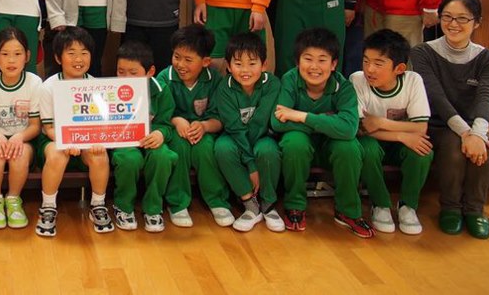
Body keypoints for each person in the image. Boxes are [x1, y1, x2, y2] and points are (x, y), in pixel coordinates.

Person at [411, 0, 489, 239]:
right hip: (437, 123)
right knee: (453, 145)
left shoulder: (488, 58)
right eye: (447, 17)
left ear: (477, 22)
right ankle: (450, 208)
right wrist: (465, 133)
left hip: (472, 124)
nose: (453, 24)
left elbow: (486, 98)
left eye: (462, 18)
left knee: (488, 145)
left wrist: (477, 134)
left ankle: (474, 210)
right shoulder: (423, 52)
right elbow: (437, 99)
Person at [272, 27, 371, 237]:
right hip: (302, 148)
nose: (314, 66)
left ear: (333, 64)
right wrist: (328, 123)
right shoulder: (290, 80)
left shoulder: (343, 87)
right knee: (294, 142)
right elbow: (277, 122)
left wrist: (301, 116)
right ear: (298, 62)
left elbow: (349, 129)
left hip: (330, 148)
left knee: (349, 146)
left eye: (322, 60)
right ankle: (294, 206)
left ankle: (348, 210)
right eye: (308, 59)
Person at [35, 27, 114, 237]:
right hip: (55, 139)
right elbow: (48, 128)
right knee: (57, 154)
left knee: (100, 154)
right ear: (58, 58)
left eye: (84, 53)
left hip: (87, 140)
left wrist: (96, 140)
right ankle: (48, 207)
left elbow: (102, 125)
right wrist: (68, 141)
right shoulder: (48, 86)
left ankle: (98, 204)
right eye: (71, 53)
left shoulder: (97, 86)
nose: (78, 59)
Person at [352, 29, 432, 236]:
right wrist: (401, 134)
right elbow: (361, 128)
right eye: (366, 61)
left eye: (379, 64)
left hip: (396, 144)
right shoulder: (357, 80)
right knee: (367, 149)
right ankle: (380, 204)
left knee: (423, 149)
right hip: (372, 140)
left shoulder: (413, 81)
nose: (370, 69)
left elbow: (420, 128)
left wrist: (380, 122)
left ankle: (408, 206)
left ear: (399, 68)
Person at [155, 25, 234, 228]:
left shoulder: (214, 80)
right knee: (179, 147)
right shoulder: (164, 78)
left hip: (204, 131)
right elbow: (159, 114)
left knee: (205, 147)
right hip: (173, 131)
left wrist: (205, 126)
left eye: (188, 60)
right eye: (176, 57)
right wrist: (176, 120)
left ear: (205, 61)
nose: (180, 64)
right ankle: (177, 203)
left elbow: (219, 118)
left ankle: (217, 200)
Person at [0, 27, 42, 230]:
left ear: (27, 56)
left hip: (24, 140)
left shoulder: (34, 83)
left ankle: (13, 199)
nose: (11, 60)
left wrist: (19, 137)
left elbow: (35, 126)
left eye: (17, 54)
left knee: (19, 154)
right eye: (5, 54)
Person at [214, 32, 284, 233]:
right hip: (236, 137)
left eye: (252, 63)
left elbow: (260, 123)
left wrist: (251, 161)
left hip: (263, 136)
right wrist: (251, 165)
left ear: (264, 65)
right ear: (228, 66)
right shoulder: (224, 88)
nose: (245, 70)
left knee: (267, 149)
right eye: (238, 64)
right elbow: (234, 127)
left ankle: (268, 204)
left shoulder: (272, 84)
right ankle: (250, 204)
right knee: (222, 147)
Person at [111, 40, 178, 233]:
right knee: (129, 159)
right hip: (124, 141)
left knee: (163, 156)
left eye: (133, 73)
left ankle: (153, 208)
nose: (126, 77)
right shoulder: (110, 90)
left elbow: (167, 124)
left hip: (151, 140)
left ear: (150, 71)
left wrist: (160, 133)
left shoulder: (161, 90)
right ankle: (123, 206)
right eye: (121, 71)